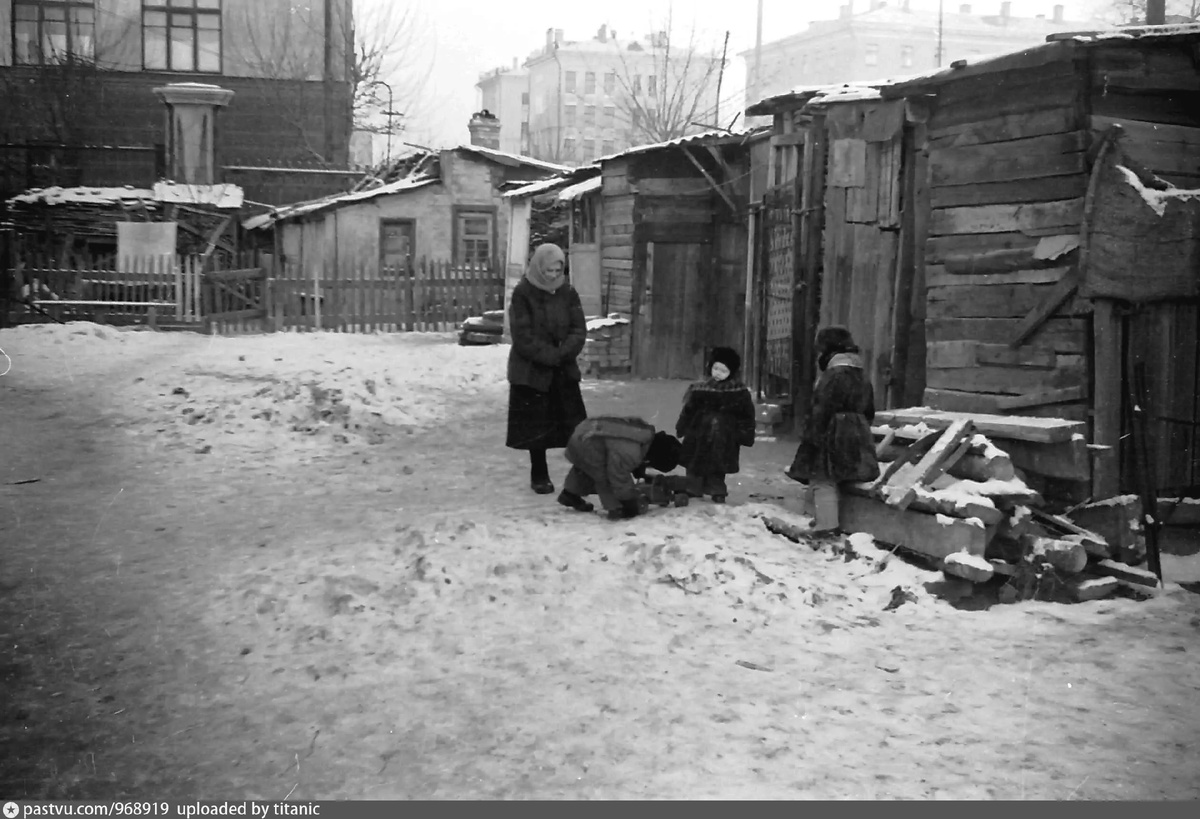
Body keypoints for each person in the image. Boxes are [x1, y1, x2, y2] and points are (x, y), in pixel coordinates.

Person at [505, 243, 588, 494]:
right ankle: (539, 473)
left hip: (562, 368)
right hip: (532, 370)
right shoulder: (523, 293)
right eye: (549, 270)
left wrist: (564, 353)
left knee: (575, 425)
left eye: (557, 270)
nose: (553, 275)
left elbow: (578, 328)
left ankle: (585, 472)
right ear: (539, 267)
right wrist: (550, 355)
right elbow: (523, 335)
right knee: (536, 427)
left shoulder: (568, 292)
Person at [784, 326, 880, 533]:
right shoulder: (862, 375)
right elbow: (869, 410)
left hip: (832, 431)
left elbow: (821, 408)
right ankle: (826, 519)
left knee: (822, 478)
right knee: (840, 477)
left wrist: (811, 436)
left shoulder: (833, 375)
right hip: (857, 431)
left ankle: (826, 525)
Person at [557, 416, 682, 520]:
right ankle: (616, 508)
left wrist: (637, 466)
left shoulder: (642, 434)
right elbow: (618, 477)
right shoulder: (630, 452)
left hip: (587, 430)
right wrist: (629, 500)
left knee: (585, 466)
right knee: (604, 474)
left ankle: (569, 494)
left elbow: (617, 443)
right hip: (588, 442)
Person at [674, 346, 756, 503]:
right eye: (716, 368)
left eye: (723, 370)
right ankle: (693, 485)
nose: (718, 373)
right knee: (695, 459)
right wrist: (682, 425)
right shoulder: (700, 388)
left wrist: (745, 433)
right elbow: (689, 409)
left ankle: (716, 486)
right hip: (698, 432)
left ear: (732, 372)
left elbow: (747, 415)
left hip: (724, 435)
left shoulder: (738, 391)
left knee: (718, 462)